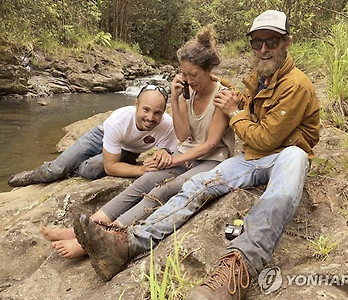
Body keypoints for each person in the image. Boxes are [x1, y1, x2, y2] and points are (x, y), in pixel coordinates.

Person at [73, 9, 320, 299]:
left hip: (284, 154)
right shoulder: (259, 77)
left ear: (286, 42)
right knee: (196, 186)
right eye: (257, 42)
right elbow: (233, 112)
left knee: (289, 174)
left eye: (272, 41)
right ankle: (129, 243)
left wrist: (234, 112)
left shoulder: (297, 85)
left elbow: (265, 138)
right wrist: (209, 93)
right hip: (250, 158)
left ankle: (238, 268)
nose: (264, 48)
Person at [40, 25, 235, 260]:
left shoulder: (222, 95)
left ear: (209, 70)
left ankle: (105, 237)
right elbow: (183, 136)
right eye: (183, 74)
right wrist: (174, 98)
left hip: (213, 160)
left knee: (167, 188)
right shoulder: (188, 91)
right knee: (145, 180)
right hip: (188, 154)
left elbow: (210, 145)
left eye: (193, 74)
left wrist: (173, 159)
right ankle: (86, 228)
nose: (187, 79)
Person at [7, 84, 177, 187]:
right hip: (100, 136)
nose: (150, 118)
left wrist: (165, 152)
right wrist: (141, 170)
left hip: (128, 150)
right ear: (136, 105)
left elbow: (169, 150)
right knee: (57, 169)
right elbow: (111, 167)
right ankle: (32, 176)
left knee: (89, 170)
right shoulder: (118, 121)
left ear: (163, 112)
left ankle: (74, 169)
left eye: (157, 113)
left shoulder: (167, 124)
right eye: (146, 110)